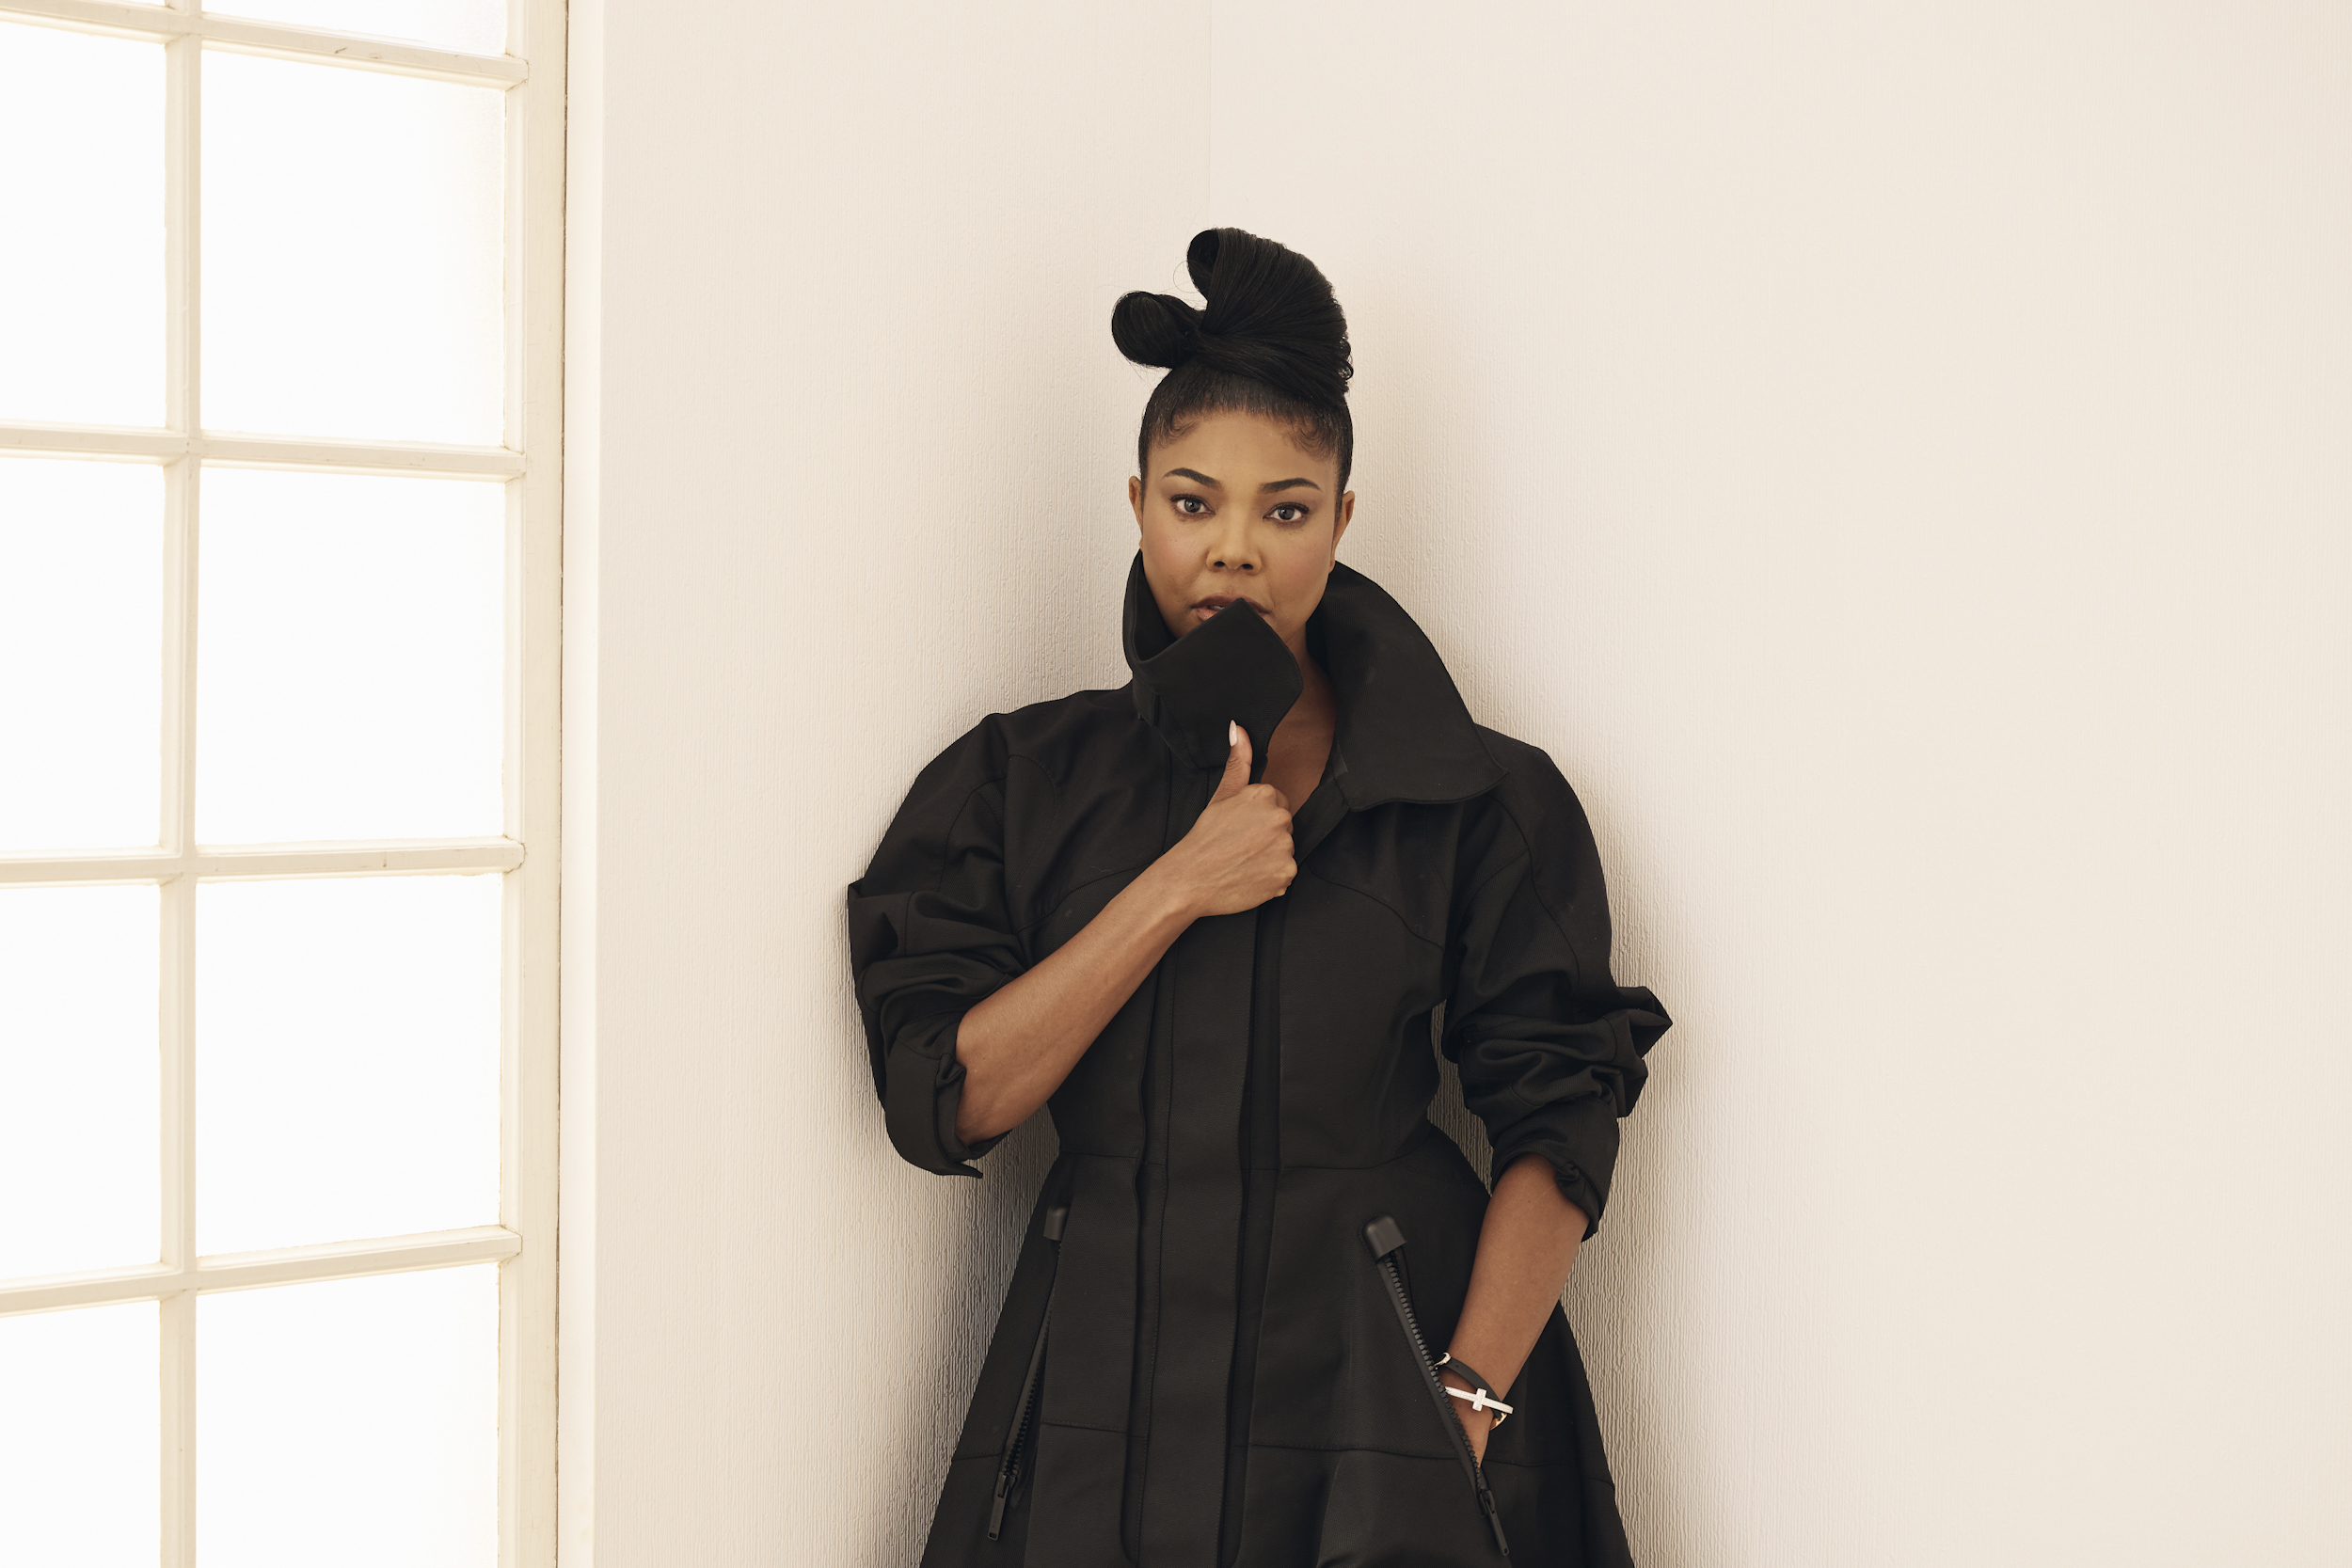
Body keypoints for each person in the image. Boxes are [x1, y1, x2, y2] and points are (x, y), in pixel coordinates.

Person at [849, 228, 1669, 1567]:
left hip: (1381, 1404)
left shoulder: (1473, 802)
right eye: (1192, 504)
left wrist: (1459, 1406)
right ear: (1134, 506)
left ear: (1342, 521)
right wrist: (1177, 884)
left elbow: (1560, 1124)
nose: (1234, 554)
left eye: (1284, 511)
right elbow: (953, 1101)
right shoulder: (1022, 782)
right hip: (1097, 1405)